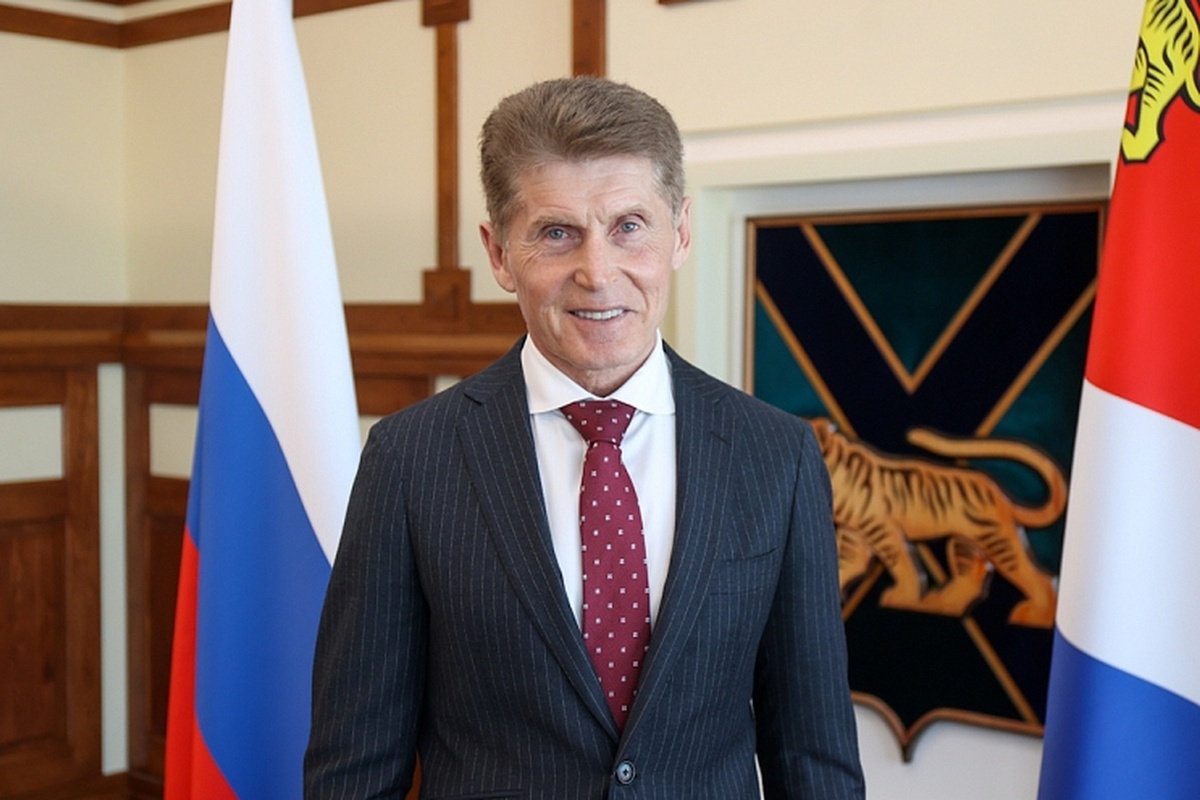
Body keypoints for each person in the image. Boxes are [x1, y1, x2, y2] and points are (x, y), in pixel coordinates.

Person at [304, 76, 865, 799]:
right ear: (499, 253)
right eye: (556, 233)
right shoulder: (410, 460)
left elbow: (814, 758)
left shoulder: (777, 455)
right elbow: (354, 769)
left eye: (629, 226)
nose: (598, 273)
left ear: (680, 233)